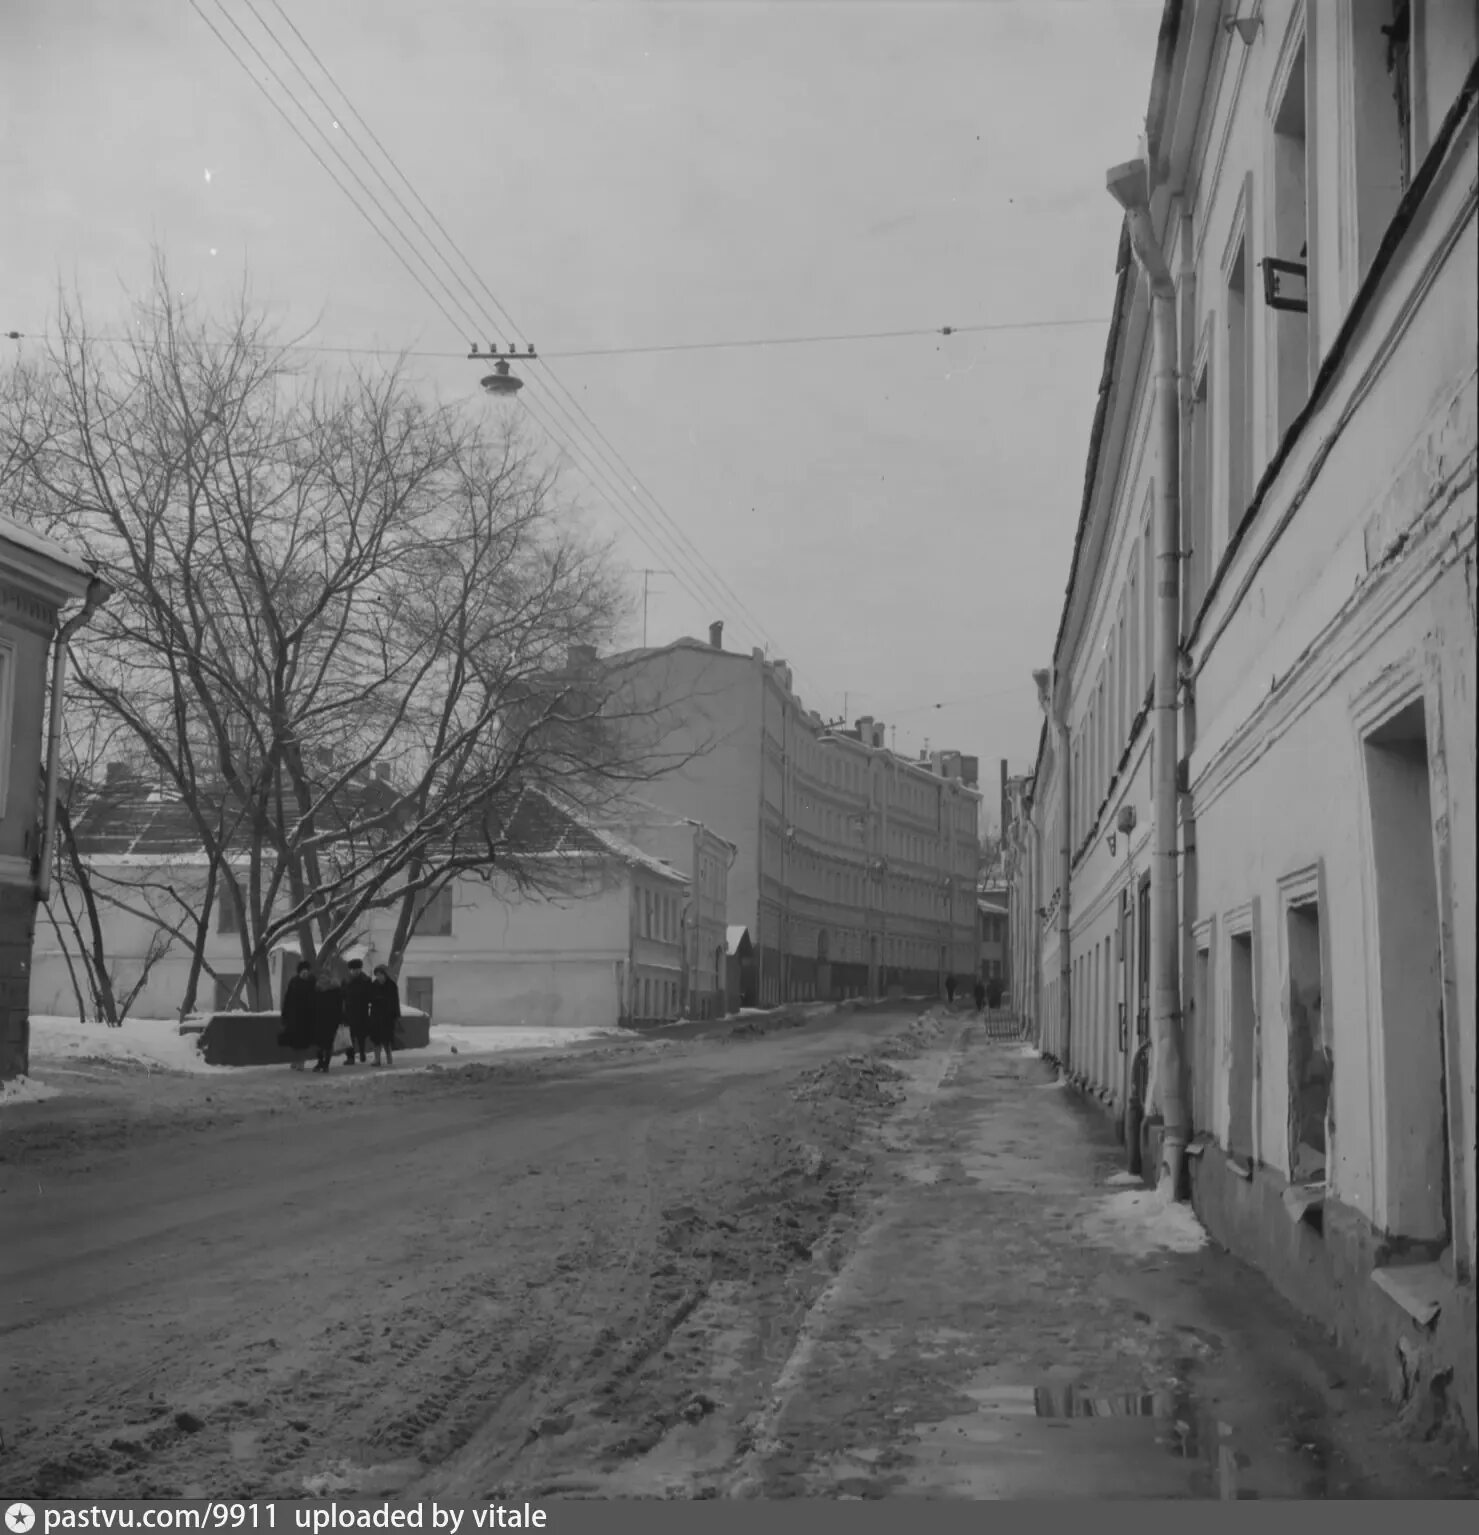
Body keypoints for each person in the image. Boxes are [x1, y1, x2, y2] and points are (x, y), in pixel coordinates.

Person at [279, 959, 316, 1071]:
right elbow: (287, 999)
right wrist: (285, 1016)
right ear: (299, 972)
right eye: (303, 971)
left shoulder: (312, 982)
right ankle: (295, 1060)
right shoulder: (294, 981)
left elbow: (316, 998)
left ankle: (301, 1061)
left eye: (306, 971)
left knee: (304, 1041)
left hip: (306, 1017)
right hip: (294, 1016)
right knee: (294, 1041)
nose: (305, 973)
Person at [312, 962, 344, 1073]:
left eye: (325, 975)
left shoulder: (335, 989)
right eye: (321, 975)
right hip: (318, 1019)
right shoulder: (317, 989)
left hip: (331, 1020)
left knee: (328, 1043)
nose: (323, 977)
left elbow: (339, 1005)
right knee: (319, 1043)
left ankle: (326, 1064)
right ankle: (320, 1062)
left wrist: (339, 1019)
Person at [368, 964, 401, 1067]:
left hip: (387, 1016)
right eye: (377, 975)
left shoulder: (391, 985)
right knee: (376, 1038)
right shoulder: (374, 985)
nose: (379, 977)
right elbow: (370, 998)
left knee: (386, 1039)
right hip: (376, 1015)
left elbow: (395, 1001)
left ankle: (389, 1058)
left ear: (385, 974)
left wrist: (396, 1015)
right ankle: (377, 1059)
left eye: (380, 974)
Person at [343, 958, 373, 1065]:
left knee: (361, 1035)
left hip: (362, 1011)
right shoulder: (346, 981)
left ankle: (362, 1053)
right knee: (348, 1036)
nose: (356, 971)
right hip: (348, 1012)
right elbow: (342, 996)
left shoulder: (366, 980)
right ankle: (350, 1057)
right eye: (353, 969)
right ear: (350, 970)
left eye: (358, 969)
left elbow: (370, 995)